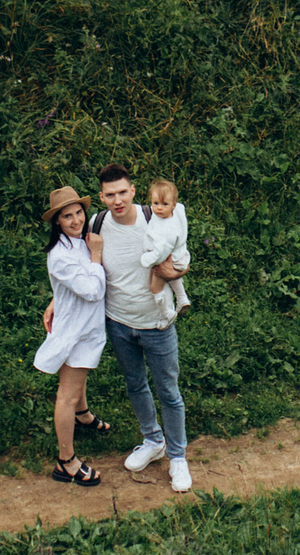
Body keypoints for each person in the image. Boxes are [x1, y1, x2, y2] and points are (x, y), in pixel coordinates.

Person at [44, 163, 192, 492]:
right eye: (110, 195)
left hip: (157, 323)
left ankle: (178, 456)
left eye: (123, 192)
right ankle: (153, 441)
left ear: (133, 191)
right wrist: (57, 299)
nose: (117, 200)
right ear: (101, 197)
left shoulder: (156, 217)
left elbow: (182, 254)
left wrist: (176, 274)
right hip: (119, 324)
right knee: (136, 386)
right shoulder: (95, 225)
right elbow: (77, 267)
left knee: (169, 392)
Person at [31, 185, 110, 486]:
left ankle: (84, 415)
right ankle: (66, 461)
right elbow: (91, 290)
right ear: (57, 222)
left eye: (79, 213)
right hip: (75, 330)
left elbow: (68, 284)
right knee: (67, 393)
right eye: (68, 216)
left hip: (84, 326)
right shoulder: (60, 254)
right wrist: (98, 256)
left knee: (81, 375)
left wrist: (55, 298)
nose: (77, 220)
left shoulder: (78, 240)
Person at [139, 179, 193, 317]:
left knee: (155, 287)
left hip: (168, 258)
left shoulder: (166, 231)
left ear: (173, 205)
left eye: (165, 204)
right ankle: (182, 298)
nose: (159, 208)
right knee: (173, 277)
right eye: (155, 203)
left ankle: (166, 313)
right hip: (179, 255)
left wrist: (146, 259)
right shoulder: (177, 213)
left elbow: (160, 253)